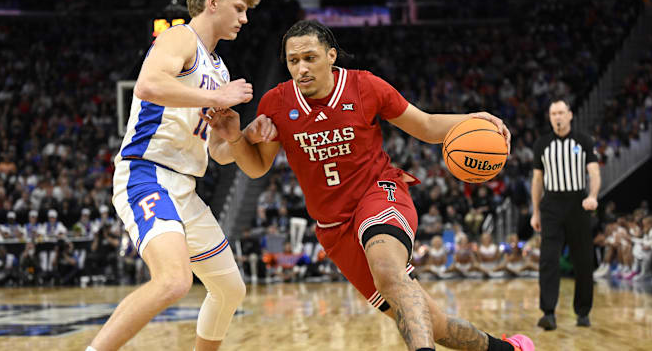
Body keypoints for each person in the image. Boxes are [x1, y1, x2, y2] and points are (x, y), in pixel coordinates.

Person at [208, 20, 534, 351]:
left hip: (378, 193)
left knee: (388, 270)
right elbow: (257, 166)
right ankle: (507, 349)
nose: (301, 68)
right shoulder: (276, 103)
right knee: (433, 324)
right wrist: (236, 137)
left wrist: (472, 119)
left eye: (310, 58)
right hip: (334, 228)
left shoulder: (365, 86)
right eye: (293, 61)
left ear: (331, 55)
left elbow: (426, 125)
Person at [87, 0, 260, 351]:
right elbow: (148, 84)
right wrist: (217, 97)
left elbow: (214, 151)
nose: (245, 19)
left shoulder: (220, 68)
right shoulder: (180, 38)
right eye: (239, 8)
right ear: (212, 2)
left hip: (185, 186)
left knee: (230, 290)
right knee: (174, 281)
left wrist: (237, 137)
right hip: (146, 173)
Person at [531, 97, 601, 330]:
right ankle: (548, 313)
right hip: (551, 204)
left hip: (577, 203)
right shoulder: (542, 144)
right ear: (550, 117)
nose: (557, 117)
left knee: (583, 259)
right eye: (553, 114)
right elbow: (537, 180)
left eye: (561, 112)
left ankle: (583, 312)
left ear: (570, 115)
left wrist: (592, 196)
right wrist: (535, 212)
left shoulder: (584, 141)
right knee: (548, 260)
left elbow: (594, 172)